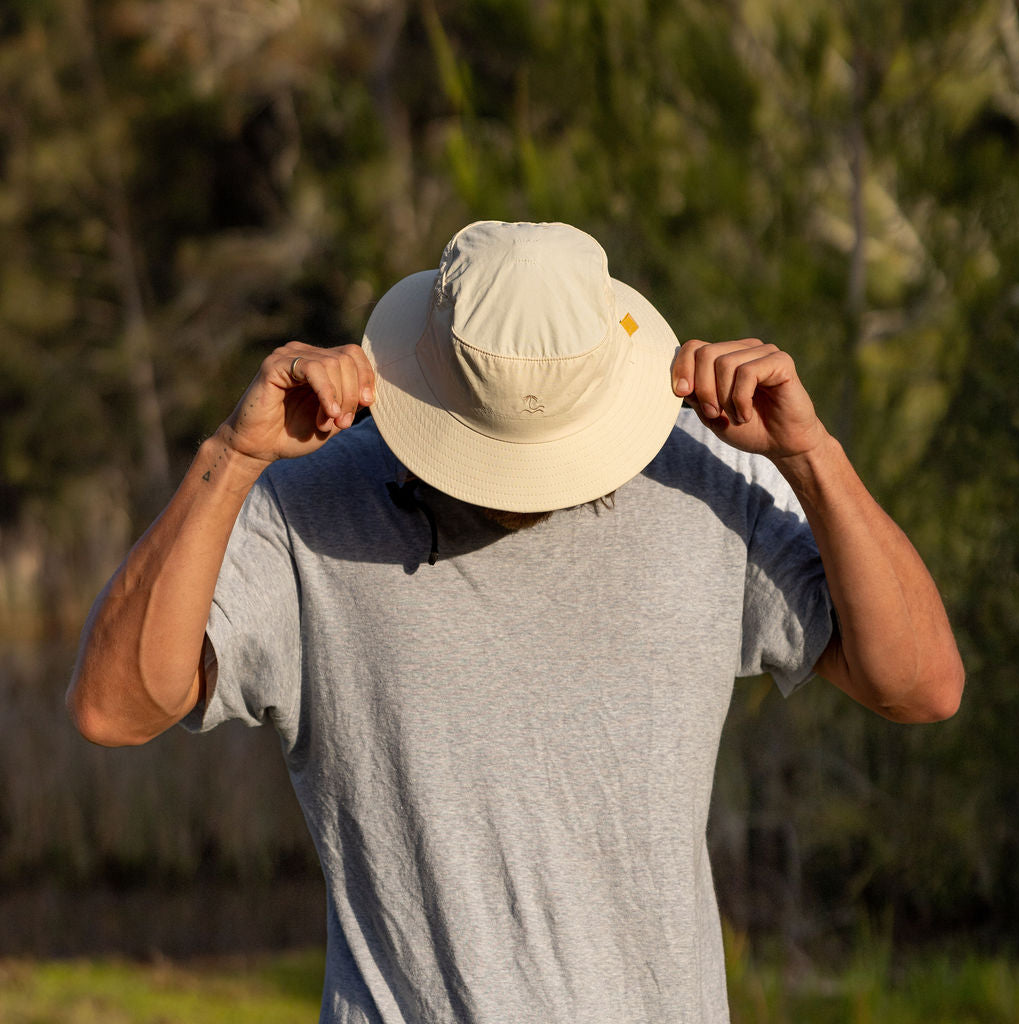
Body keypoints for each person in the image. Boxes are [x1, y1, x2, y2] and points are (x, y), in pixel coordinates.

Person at [67, 220, 963, 1023]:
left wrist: (814, 458)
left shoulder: (710, 474)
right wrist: (231, 456)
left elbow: (919, 685)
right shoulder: (309, 496)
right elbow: (115, 709)